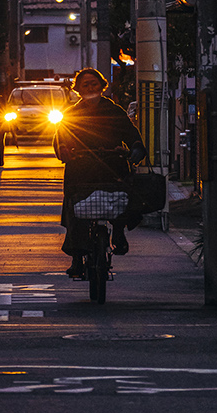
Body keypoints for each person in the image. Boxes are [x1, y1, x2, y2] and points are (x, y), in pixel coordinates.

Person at [53, 66, 146, 277]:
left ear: (103, 86)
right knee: (73, 207)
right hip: (80, 168)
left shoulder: (114, 111)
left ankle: (120, 232)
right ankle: (77, 258)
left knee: (125, 195)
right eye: (85, 84)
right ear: (78, 89)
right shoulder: (71, 113)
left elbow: (131, 133)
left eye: (94, 83)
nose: (90, 87)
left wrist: (136, 148)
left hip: (111, 165)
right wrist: (64, 150)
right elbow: (60, 138)